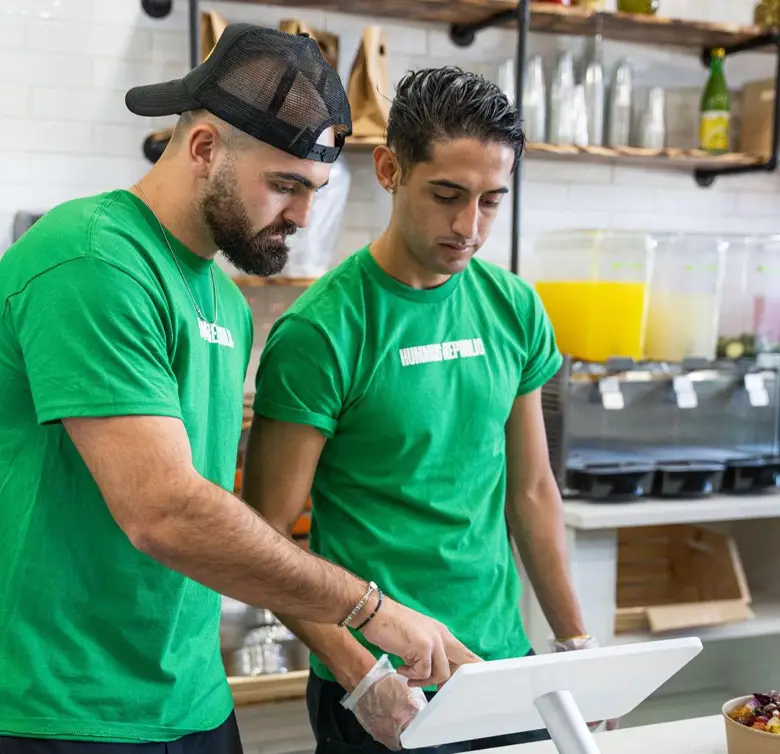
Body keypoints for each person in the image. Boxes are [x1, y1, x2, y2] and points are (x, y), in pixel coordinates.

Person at [0, 29, 479, 754]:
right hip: (62, 709)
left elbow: (225, 521)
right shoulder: (92, 258)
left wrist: (356, 673)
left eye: (314, 191)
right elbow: (162, 511)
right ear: (202, 150)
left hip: (192, 700)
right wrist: (366, 608)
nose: (302, 218)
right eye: (285, 185)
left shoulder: (223, 300)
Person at [242, 65, 602, 754]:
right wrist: (360, 674)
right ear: (389, 169)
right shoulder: (323, 332)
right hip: (385, 684)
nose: (469, 227)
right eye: (447, 195)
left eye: (492, 201)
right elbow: (264, 546)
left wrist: (575, 646)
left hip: (503, 665)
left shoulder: (513, 306)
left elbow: (531, 491)